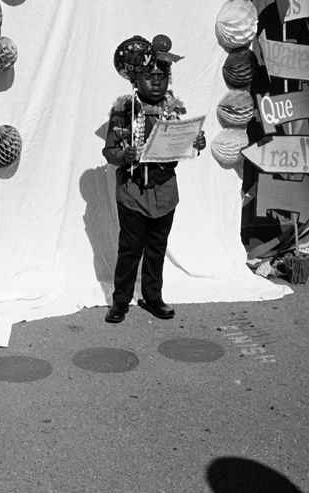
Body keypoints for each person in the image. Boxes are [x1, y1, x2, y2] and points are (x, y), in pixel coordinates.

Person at [103, 34, 207, 324]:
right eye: (149, 76)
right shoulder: (123, 111)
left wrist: (196, 142)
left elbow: (180, 144)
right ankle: (120, 300)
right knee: (130, 248)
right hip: (133, 192)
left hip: (165, 191)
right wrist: (124, 156)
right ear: (136, 80)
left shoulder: (174, 110)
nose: (157, 82)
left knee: (157, 248)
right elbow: (109, 149)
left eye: (163, 76)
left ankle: (152, 296)